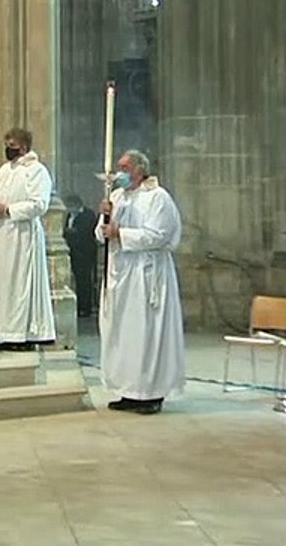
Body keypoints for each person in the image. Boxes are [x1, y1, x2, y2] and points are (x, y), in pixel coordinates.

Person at [96, 150, 185, 415]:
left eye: (124, 167)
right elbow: (102, 236)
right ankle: (129, 391)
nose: (118, 173)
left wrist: (120, 233)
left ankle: (150, 394)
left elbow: (158, 236)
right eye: (118, 167)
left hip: (146, 276)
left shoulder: (158, 197)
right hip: (121, 275)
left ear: (139, 169)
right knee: (123, 334)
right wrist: (105, 217)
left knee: (146, 333)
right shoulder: (117, 196)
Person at [0, 127, 55, 351]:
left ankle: (22, 334)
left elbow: (39, 204)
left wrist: (10, 210)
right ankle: (5, 332)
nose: (7, 149)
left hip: (23, 235)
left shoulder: (37, 171)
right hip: (2, 234)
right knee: (3, 284)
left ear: (24, 147)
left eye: (12, 145)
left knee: (20, 283)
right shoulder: (4, 170)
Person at [63, 194, 100, 317]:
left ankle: (86, 307)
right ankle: (79, 306)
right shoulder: (69, 216)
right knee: (77, 280)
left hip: (85, 252)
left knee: (85, 280)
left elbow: (87, 232)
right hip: (73, 251)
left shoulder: (87, 214)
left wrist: (73, 233)